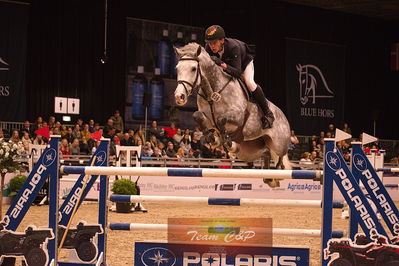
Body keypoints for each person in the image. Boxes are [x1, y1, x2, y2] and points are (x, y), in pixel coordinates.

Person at [204, 25, 274, 129]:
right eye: (209, 43)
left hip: (244, 62)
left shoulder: (233, 47)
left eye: (214, 43)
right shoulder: (208, 49)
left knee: (249, 82)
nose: (212, 46)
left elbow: (237, 73)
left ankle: (268, 113)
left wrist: (222, 64)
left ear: (222, 40)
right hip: (227, 64)